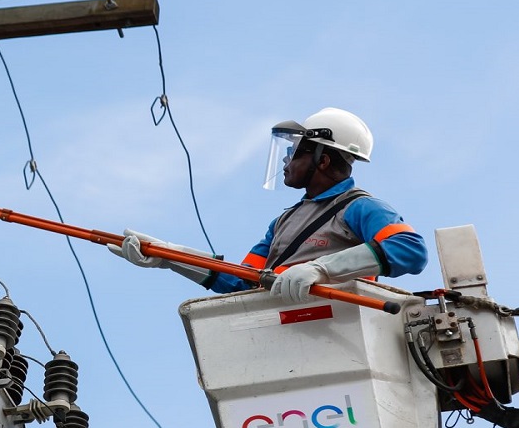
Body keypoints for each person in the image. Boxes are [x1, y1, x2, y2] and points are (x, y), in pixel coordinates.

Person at [111, 107, 427, 302]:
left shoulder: (359, 208)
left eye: (296, 152)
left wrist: (322, 270)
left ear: (323, 159)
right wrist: (170, 256)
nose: (287, 160)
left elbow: (410, 249)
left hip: (345, 328)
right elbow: (242, 281)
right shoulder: (283, 222)